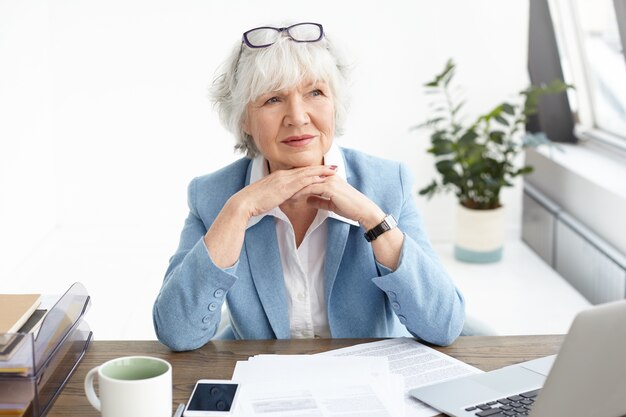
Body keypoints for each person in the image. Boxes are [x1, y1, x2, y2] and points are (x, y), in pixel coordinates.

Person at [153, 22, 465, 351]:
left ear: (335, 102)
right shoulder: (212, 196)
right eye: (273, 99)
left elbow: (443, 325)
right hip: (265, 384)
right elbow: (177, 333)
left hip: (367, 383)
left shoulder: (387, 183)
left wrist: (372, 218)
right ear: (244, 118)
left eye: (315, 93)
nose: (298, 117)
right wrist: (239, 211)